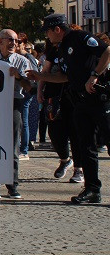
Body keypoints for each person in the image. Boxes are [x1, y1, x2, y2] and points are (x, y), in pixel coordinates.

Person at [27, 13, 110, 204]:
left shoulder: (80, 37)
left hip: (98, 98)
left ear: (57, 29)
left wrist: (94, 76)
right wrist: (40, 76)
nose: (47, 36)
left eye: (47, 31)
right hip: (80, 101)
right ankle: (92, 189)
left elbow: (107, 51)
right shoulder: (61, 47)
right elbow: (65, 77)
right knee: (85, 146)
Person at [0, 29, 32, 200]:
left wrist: (18, 77)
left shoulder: (22, 61)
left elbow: (30, 88)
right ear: (0, 42)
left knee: (12, 146)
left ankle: (12, 185)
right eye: (9, 40)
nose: (13, 43)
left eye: (16, 41)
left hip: (13, 104)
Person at [37, 38, 83, 183]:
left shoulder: (77, 51)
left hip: (74, 97)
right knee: (55, 132)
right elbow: (45, 71)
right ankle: (65, 159)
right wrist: (39, 90)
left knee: (76, 133)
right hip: (54, 96)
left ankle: (79, 169)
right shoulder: (54, 52)